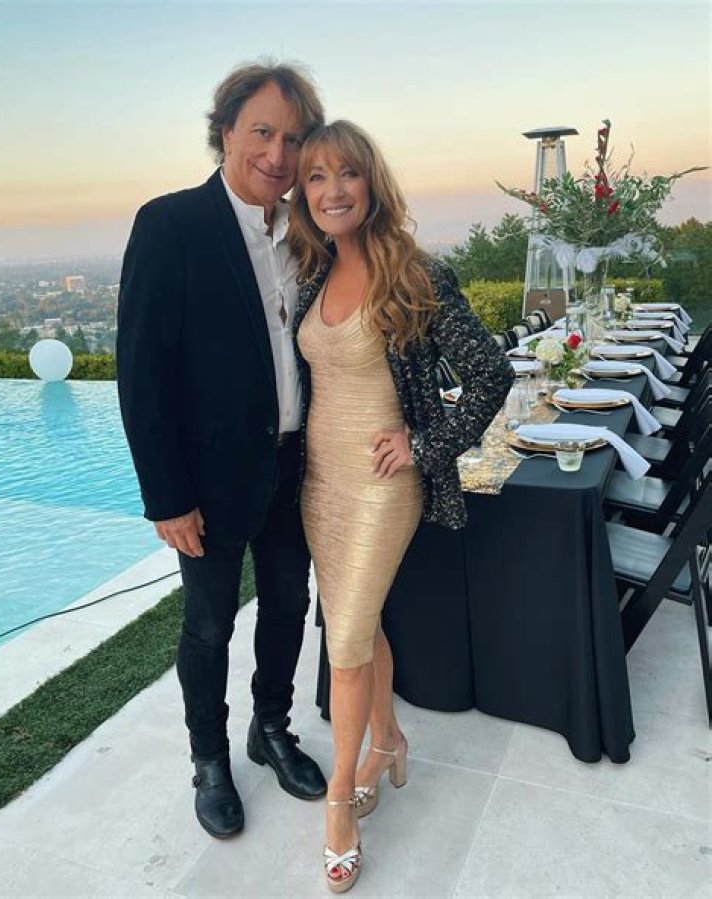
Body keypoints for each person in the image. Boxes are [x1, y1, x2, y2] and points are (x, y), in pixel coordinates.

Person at [288, 120, 513, 891]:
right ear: (304, 194)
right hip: (320, 486)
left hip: (383, 487)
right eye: (316, 177)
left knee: (346, 639)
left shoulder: (413, 273)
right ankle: (386, 742)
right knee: (362, 623)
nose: (332, 191)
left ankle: (338, 802)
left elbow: (491, 373)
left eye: (346, 173)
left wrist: (424, 443)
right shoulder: (314, 272)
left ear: (371, 183)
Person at [116, 62, 328, 840]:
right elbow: (142, 374)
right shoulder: (170, 225)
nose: (277, 153)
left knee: (289, 605)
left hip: (295, 466)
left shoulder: (307, 231)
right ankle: (209, 758)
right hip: (208, 480)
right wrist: (167, 497)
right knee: (209, 626)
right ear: (227, 131)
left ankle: (270, 728)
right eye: (262, 132)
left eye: (294, 139)